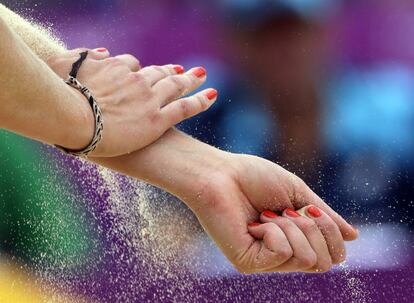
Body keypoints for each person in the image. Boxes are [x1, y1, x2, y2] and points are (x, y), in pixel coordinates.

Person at [0, 3, 358, 274]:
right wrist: (85, 108)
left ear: (325, 31)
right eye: (263, 34)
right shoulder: (208, 110)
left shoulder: (394, 113)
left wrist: (75, 90)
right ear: (234, 39)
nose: (281, 49)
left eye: (291, 30)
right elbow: (159, 242)